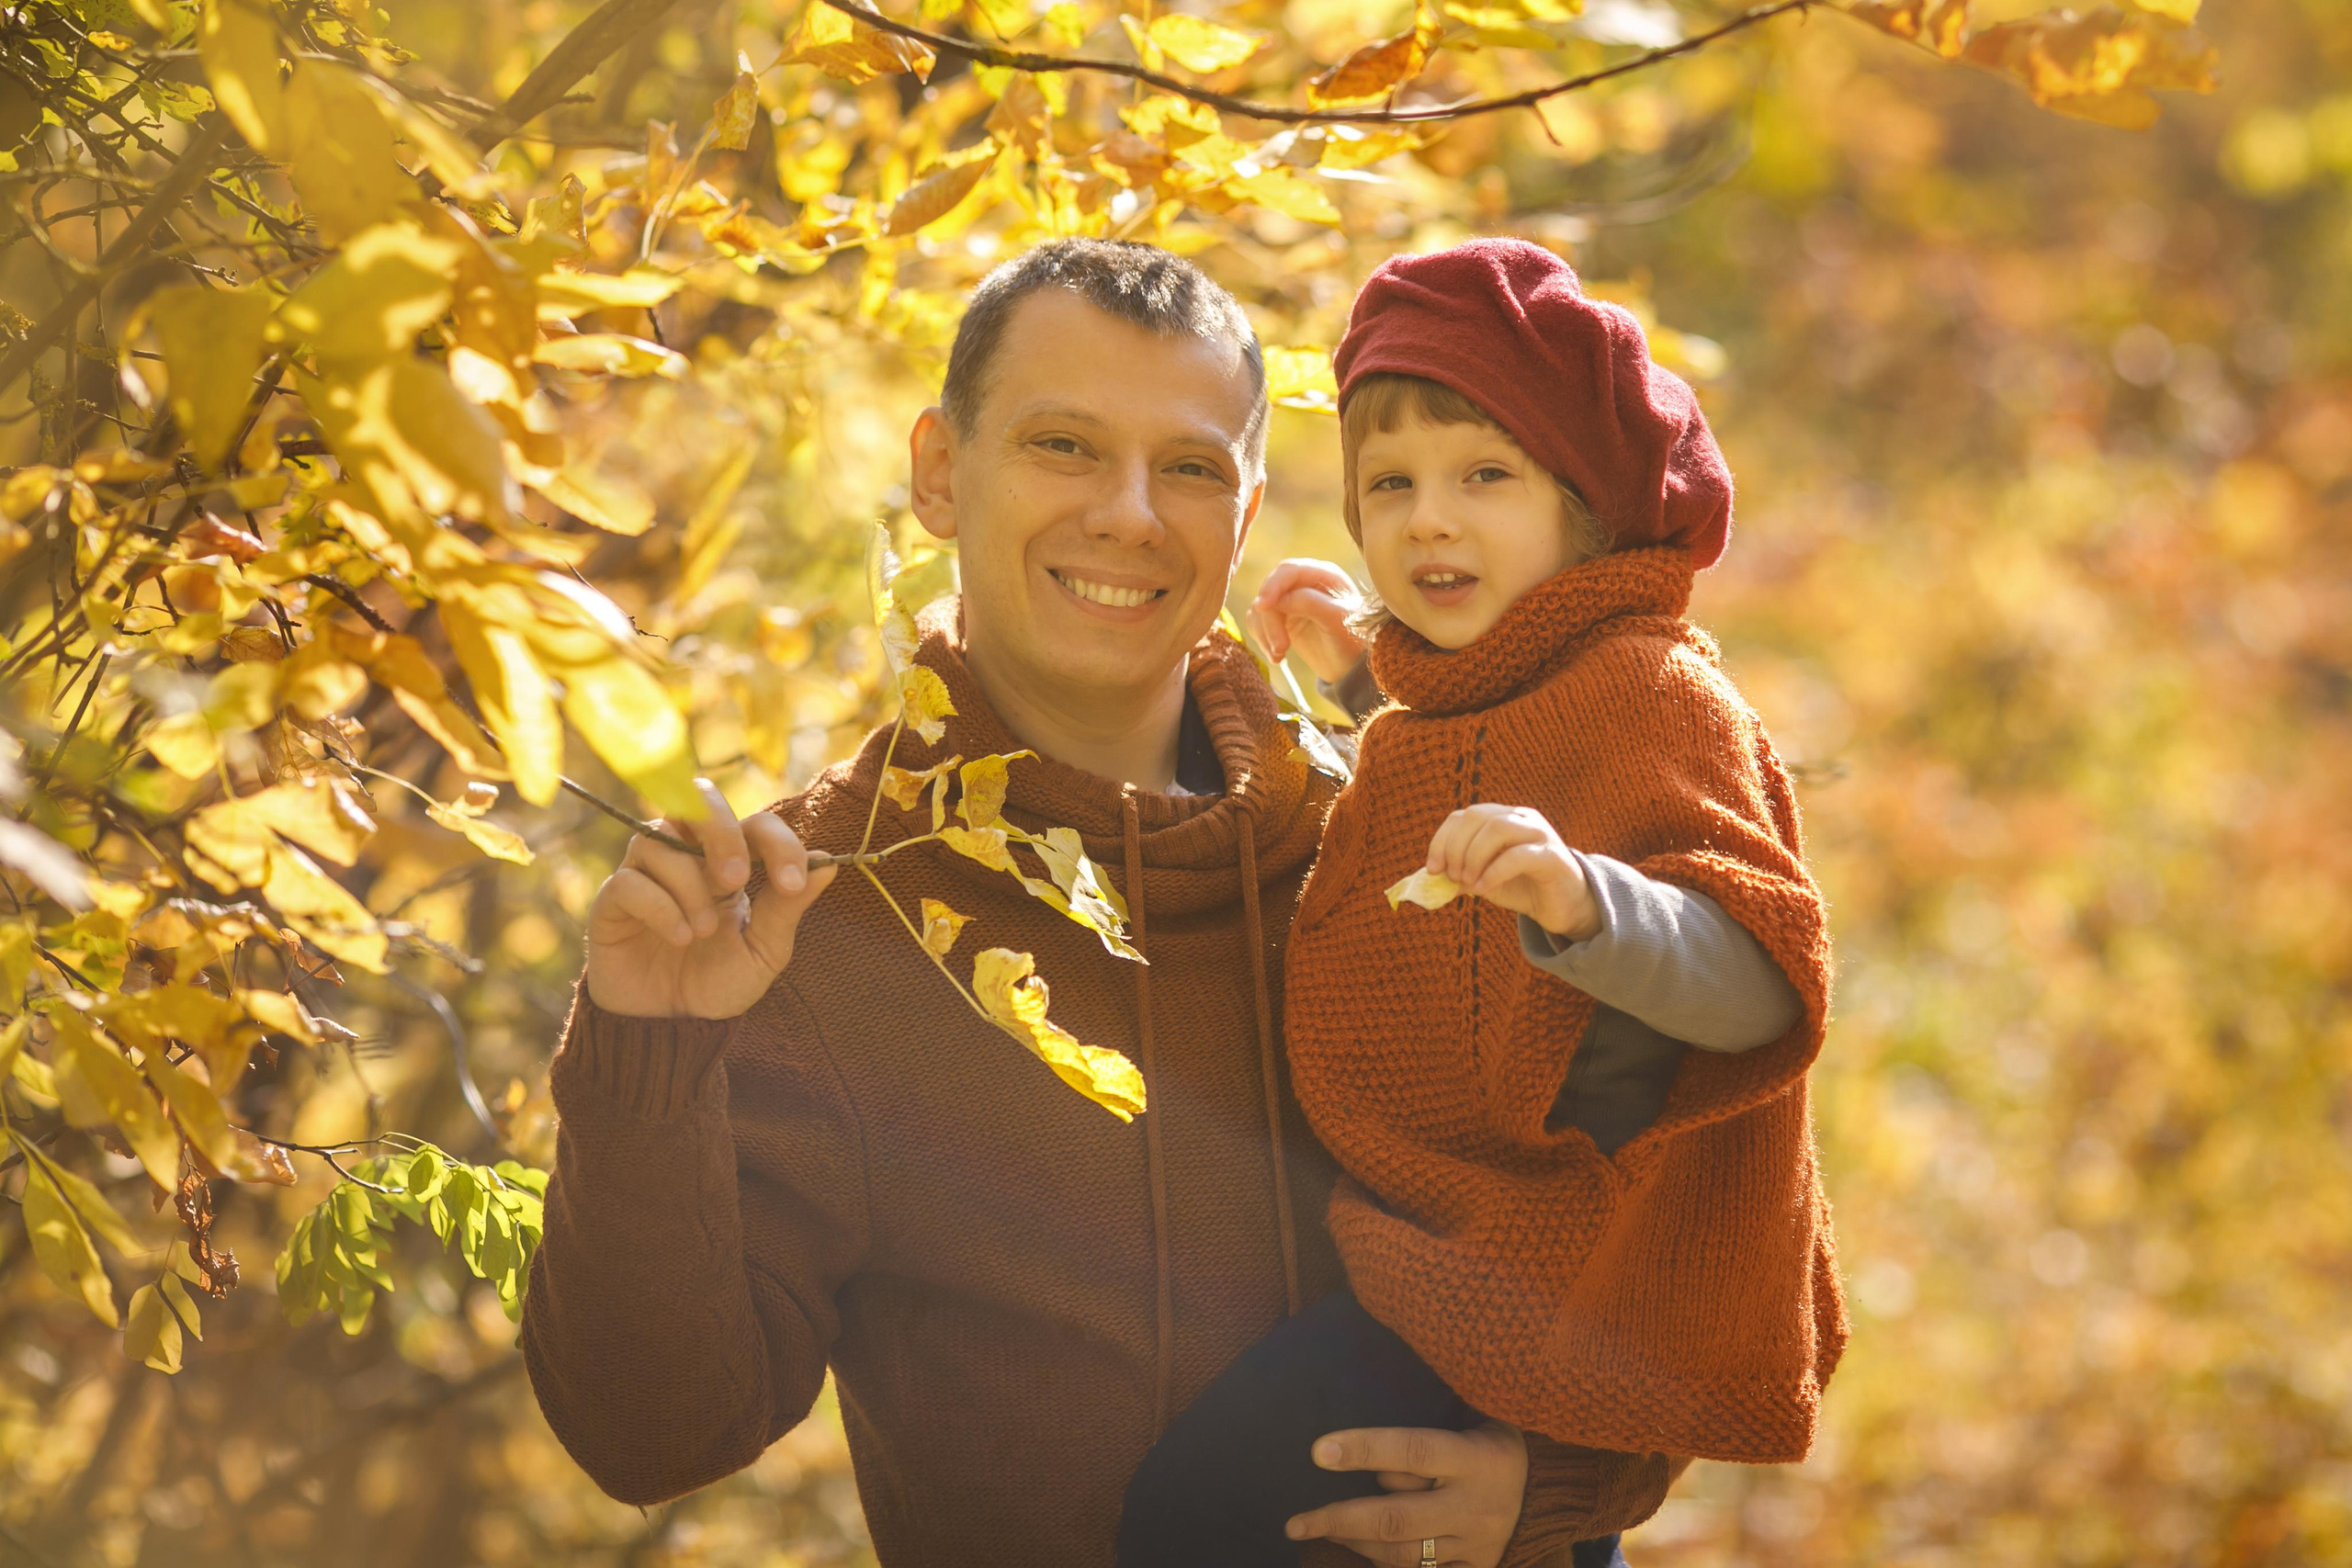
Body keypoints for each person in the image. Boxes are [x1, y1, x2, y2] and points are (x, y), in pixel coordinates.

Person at [519, 238, 1678, 1568]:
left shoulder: (1398, 842)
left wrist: (1572, 1480)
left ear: (1242, 517)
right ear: (940, 474)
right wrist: (645, 1057)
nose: (1129, 514)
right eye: (1063, 446)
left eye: (1187, 467)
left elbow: (1665, 1197)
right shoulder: (820, 915)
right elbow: (653, 1434)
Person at [1116, 239, 1849, 1568]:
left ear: (1588, 506)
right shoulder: (1466, 691)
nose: (1426, 521)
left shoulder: (1650, 690)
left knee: (1197, 1518)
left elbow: (1756, 972)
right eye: (1386, 485)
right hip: (1451, 1260)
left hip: (1558, 1272)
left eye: (1483, 478)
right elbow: (1469, 761)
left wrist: (1590, 904)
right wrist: (1356, 681)